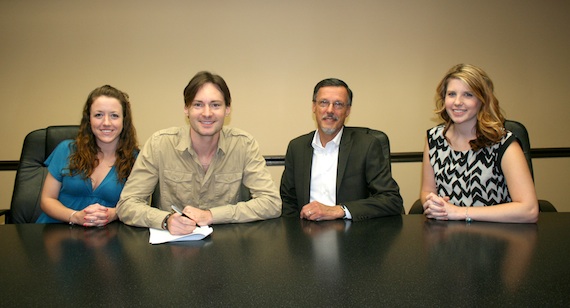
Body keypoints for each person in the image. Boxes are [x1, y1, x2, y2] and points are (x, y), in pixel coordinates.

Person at [116, 71, 281, 234]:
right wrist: (165, 220)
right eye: (198, 104)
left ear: (227, 109)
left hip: (229, 248)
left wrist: (211, 215)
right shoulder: (159, 144)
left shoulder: (244, 145)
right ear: (186, 109)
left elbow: (272, 203)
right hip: (173, 251)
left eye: (215, 105)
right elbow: (127, 204)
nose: (207, 113)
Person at [420, 64, 538, 223]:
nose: (457, 102)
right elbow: (427, 191)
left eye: (468, 95)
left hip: (496, 237)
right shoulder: (434, 139)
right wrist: (433, 204)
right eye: (451, 94)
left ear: (482, 100)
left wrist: (460, 212)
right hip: (447, 238)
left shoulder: (503, 143)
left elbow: (529, 210)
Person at [280, 78, 404, 221]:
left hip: (352, 234)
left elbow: (391, 200)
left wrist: (340, 210)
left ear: (348, 110)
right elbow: (288, 201)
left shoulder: (367, 145)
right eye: (324, 103)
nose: (330, 110)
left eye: (338, 104)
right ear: (314, 107)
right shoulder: (297, 147)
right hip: (306, 233)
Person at [38, 85, 139, 226]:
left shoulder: (137, 159)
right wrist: (74, 216)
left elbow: (139, 205)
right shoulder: (66, 150)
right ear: (89, 119)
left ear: (124, 120)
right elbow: (47, 199)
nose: (106, 123)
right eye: (98, 115)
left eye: (114, 115)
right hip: (54, 232)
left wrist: (115, 213)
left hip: (104, 239)